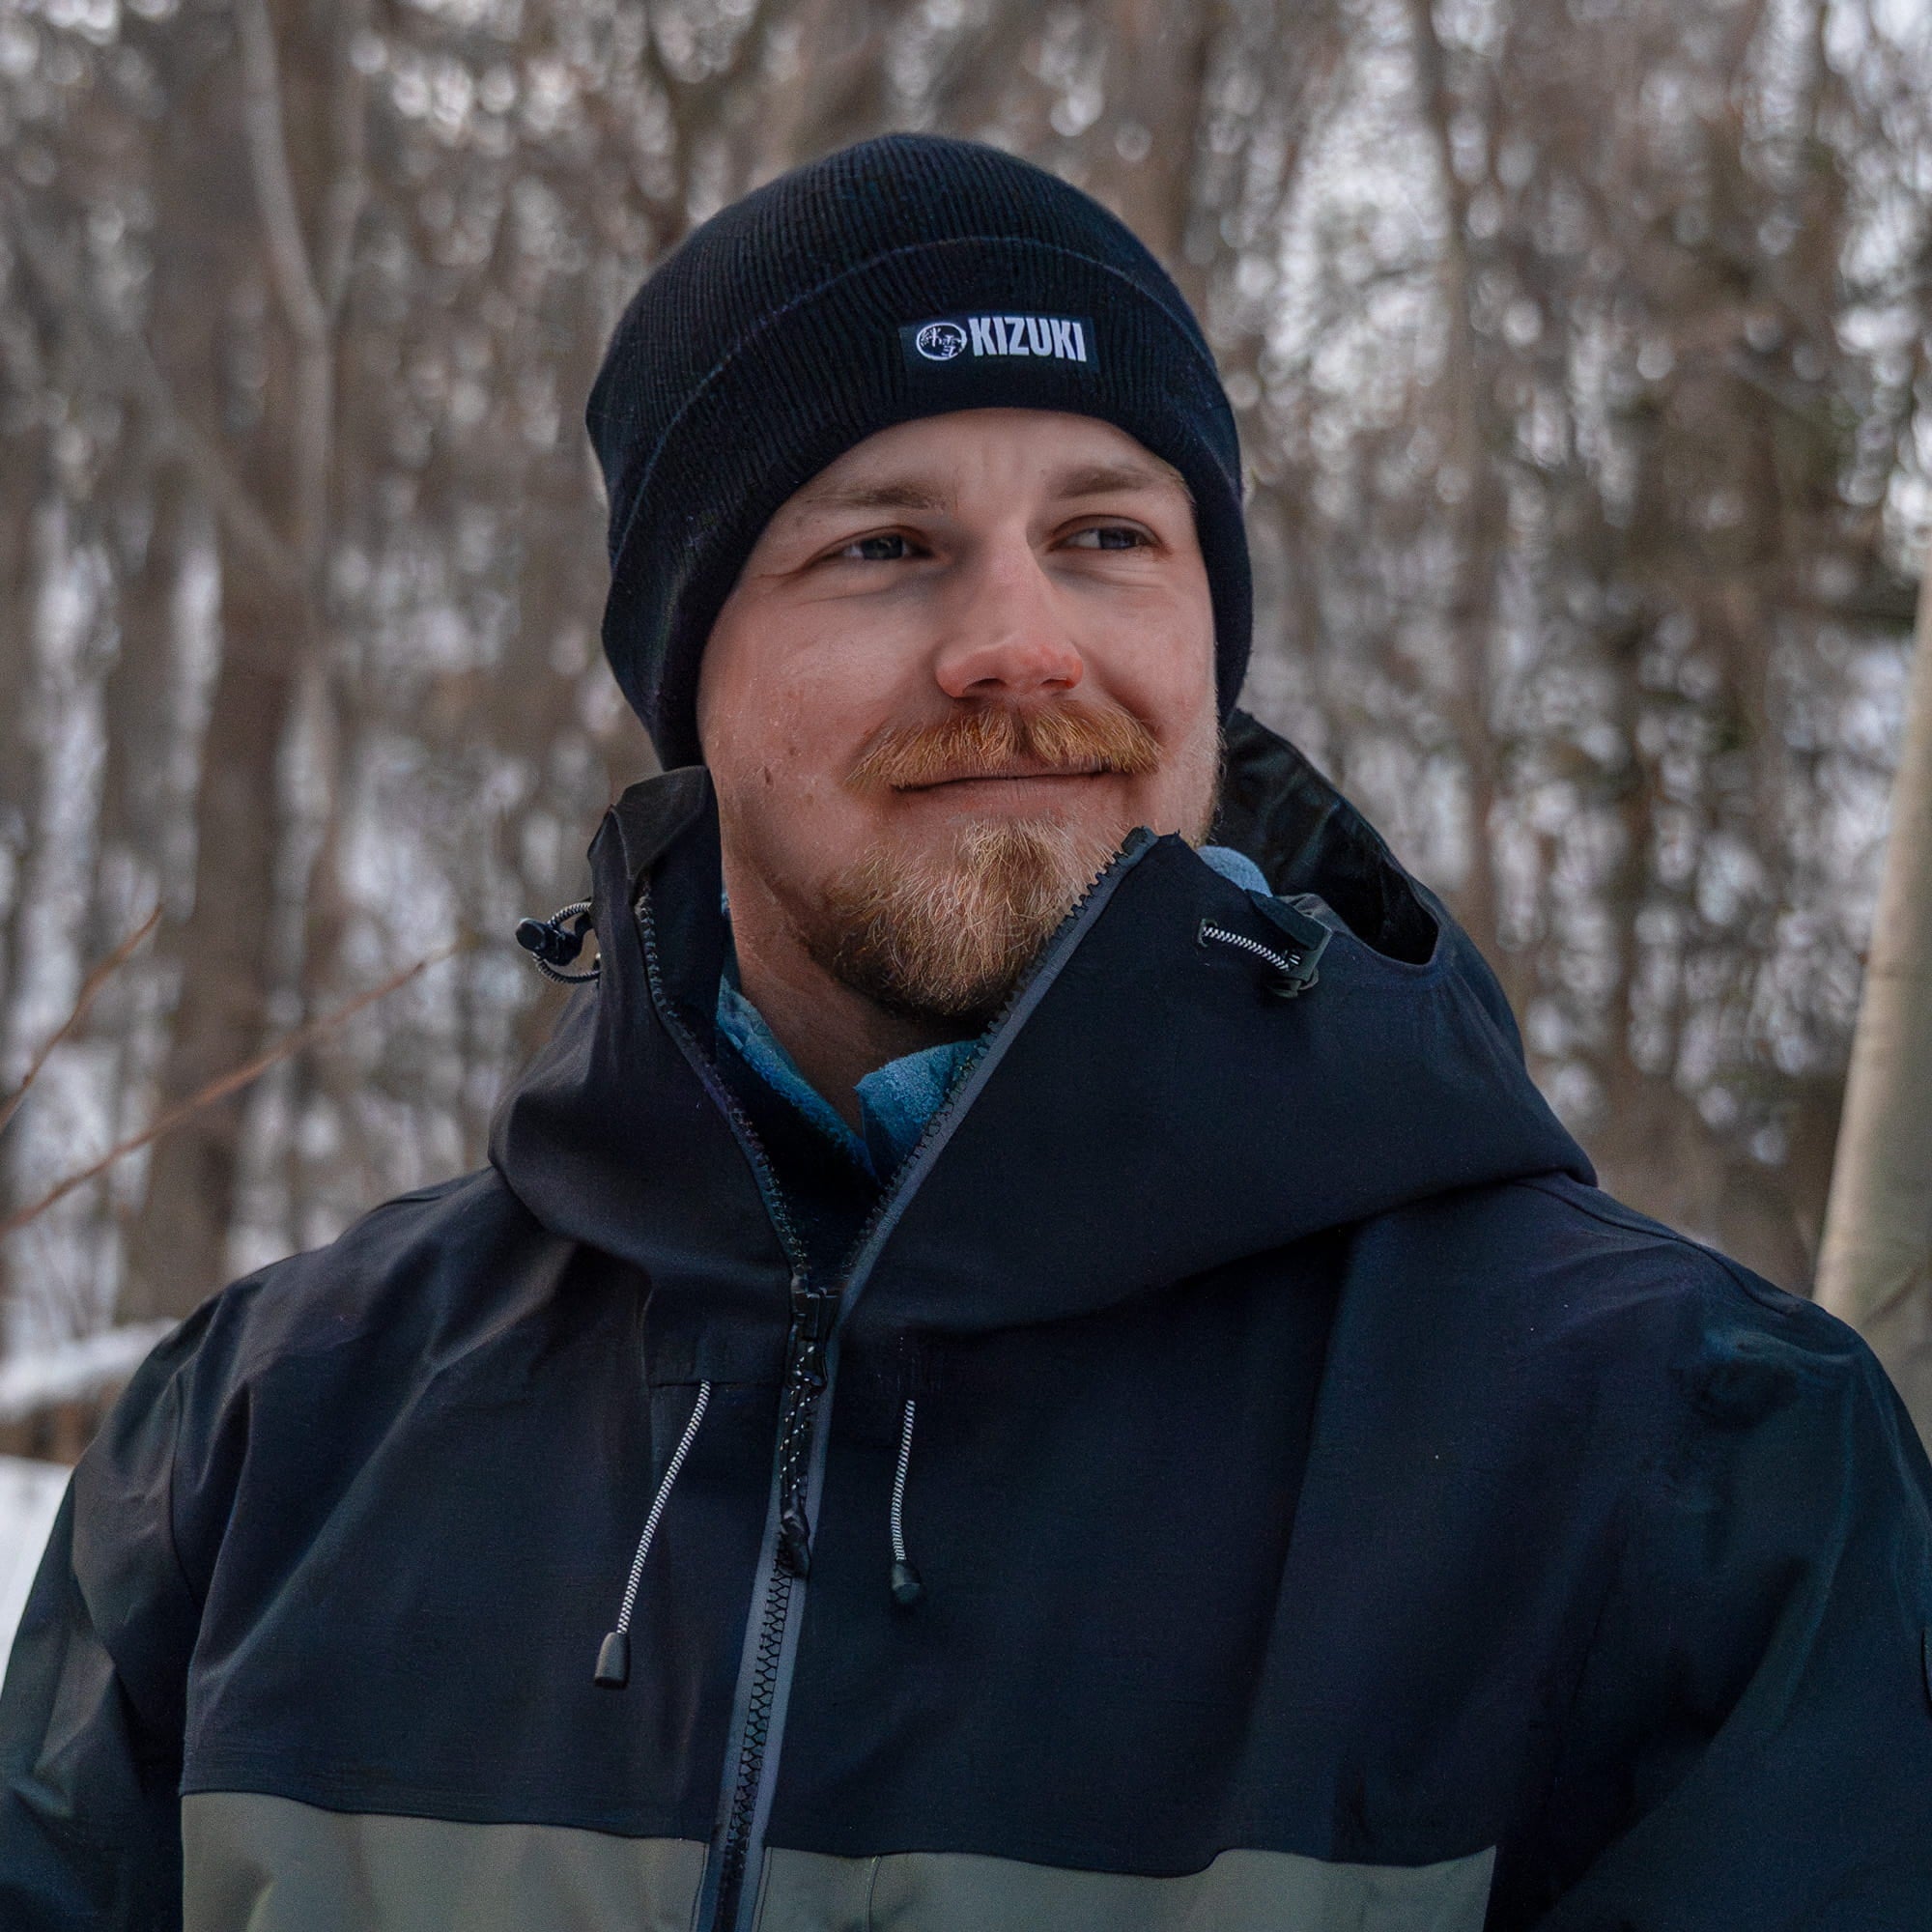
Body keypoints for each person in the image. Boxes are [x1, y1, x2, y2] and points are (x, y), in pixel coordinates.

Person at [3, 133, 1930, 1932]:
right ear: (693, 675)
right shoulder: (270, 1443)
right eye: (881, 545)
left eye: (1105, 536)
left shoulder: (1684, 1461)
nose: (1020, 642)